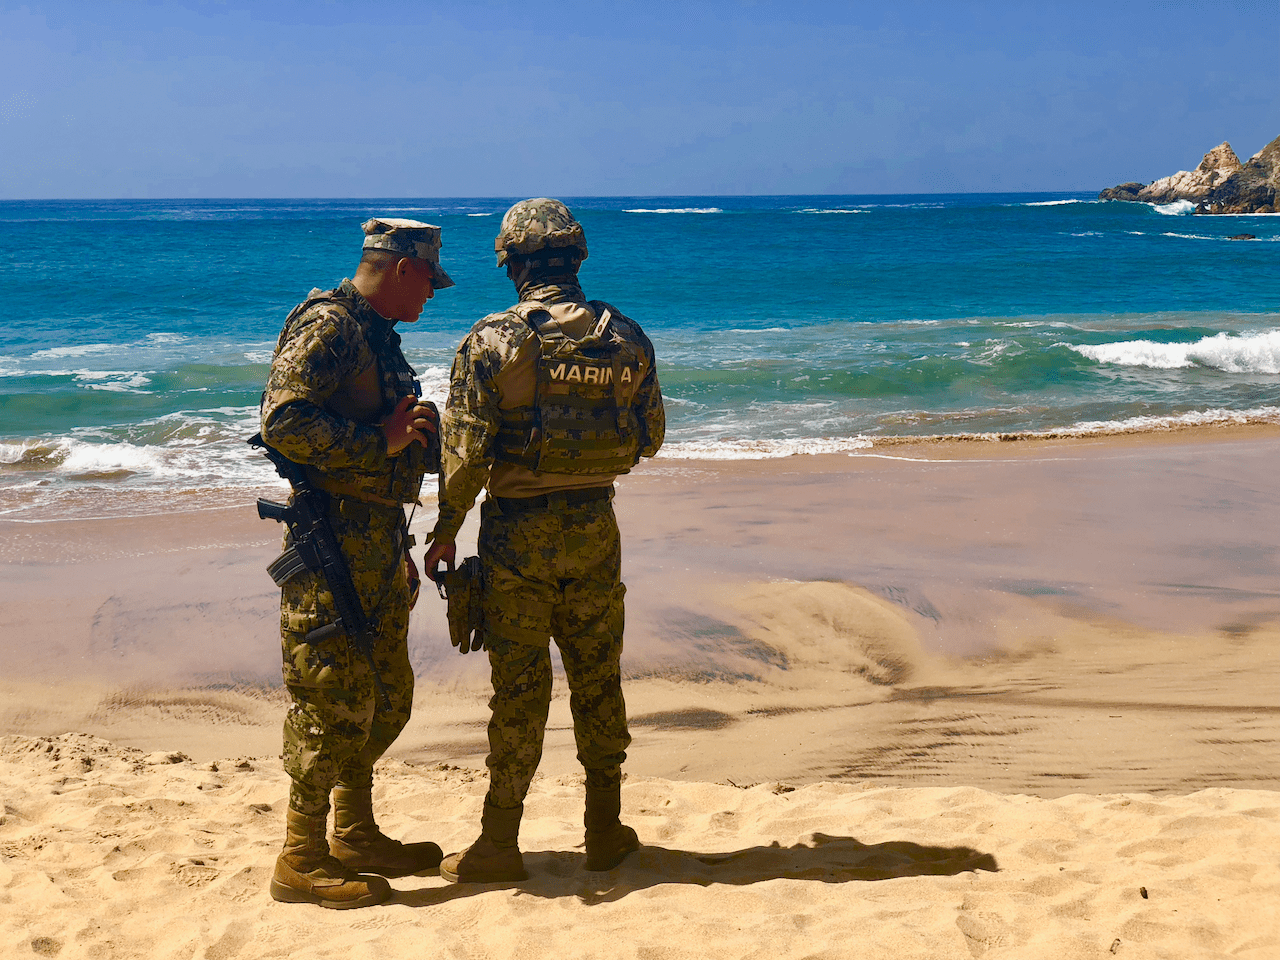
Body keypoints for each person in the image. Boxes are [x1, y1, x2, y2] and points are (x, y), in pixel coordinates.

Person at [423, 198, 665, 882]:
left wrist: (444, 532)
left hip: (517, 536)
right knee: (598, 680)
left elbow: (465, 455)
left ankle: (500, 843)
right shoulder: (628, 339)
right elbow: (650, 438)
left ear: (515, 265)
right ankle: (606, 830)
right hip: (595, 527)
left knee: (521, 690)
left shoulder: (493, 341)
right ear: (577, 258)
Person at [259, 217, 453, 908]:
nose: (431, 295)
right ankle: (301, 856)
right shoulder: (331, 327)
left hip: (374, 542)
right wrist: (384, 439)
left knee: (383, 696)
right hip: (331, 545)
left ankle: (355, 831)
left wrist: (397, 537)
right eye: (429, 280)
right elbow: (283, 421)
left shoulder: (375, 337)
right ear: (403, 267)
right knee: (330, 702)